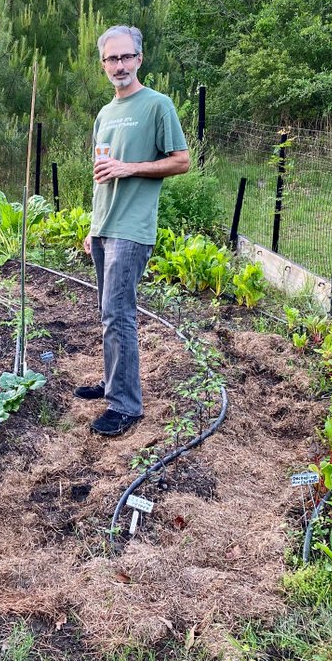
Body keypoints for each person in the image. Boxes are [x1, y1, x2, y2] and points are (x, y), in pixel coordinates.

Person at [78, 25, 190, 436]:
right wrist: (94, 226)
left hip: (133, 228)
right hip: (106, 226)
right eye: (112, 59)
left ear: (139, 59)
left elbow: (181, 160)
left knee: (118, 314)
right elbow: (100, 177)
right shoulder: (105, 114)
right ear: (103, 64)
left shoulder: (157, 106)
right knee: (107, 312)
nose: (120, 65)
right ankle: (113, 383)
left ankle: (126, 405)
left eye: (127, 57)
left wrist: (132, 168)